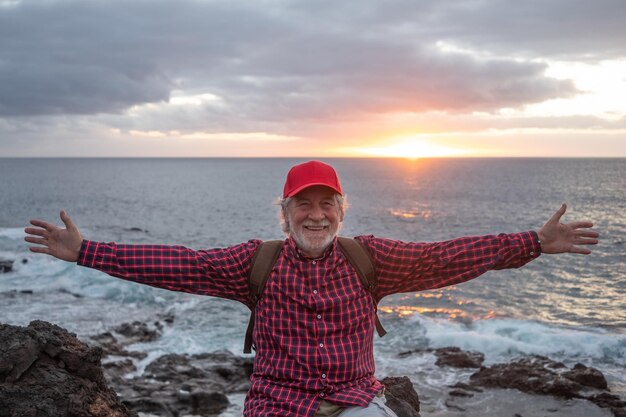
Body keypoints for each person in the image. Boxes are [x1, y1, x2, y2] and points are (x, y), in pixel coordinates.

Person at [24, 160, 599, 417]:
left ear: (342, 210)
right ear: (286, 213)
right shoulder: (255, 264)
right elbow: (179, 263)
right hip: (278, 406)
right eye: (305, 205)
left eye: (327, 204)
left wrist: (531, 242)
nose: (316, 214)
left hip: (356, 400)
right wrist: (86, 251)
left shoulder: (372, 258)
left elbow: (445, 256)